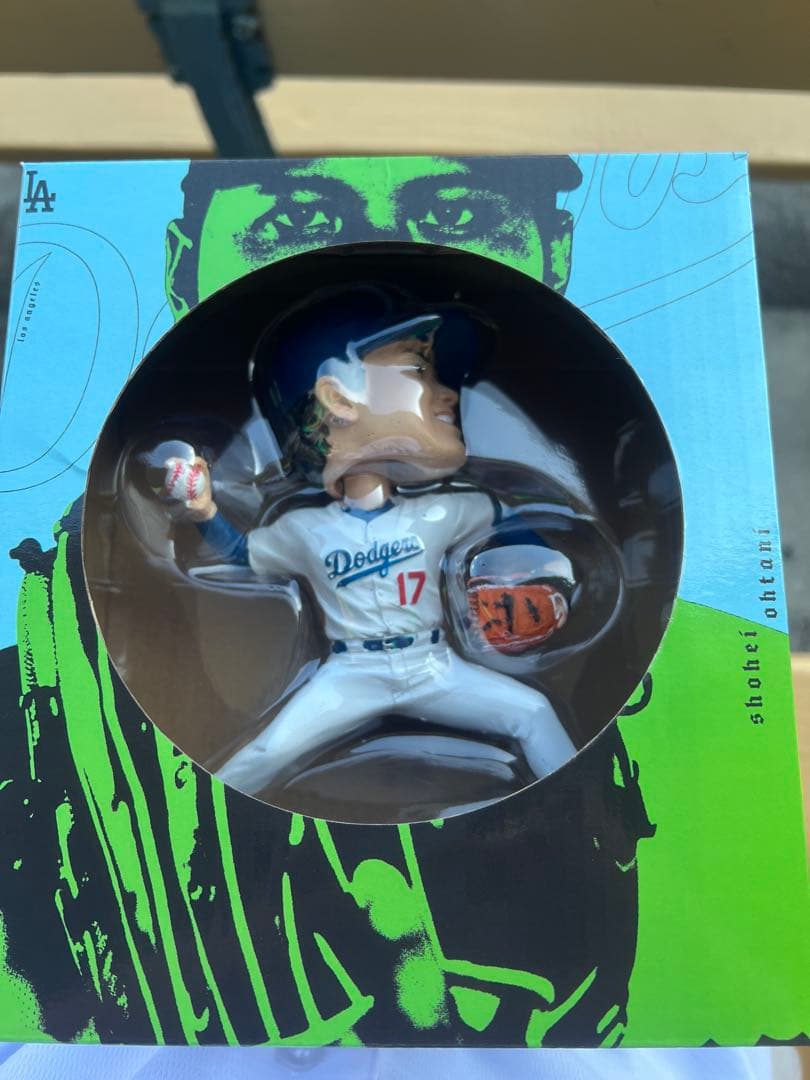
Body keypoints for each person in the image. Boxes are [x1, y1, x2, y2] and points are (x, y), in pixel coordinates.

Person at [161, 285, 576, 797]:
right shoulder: (305, 529)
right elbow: (246, 558)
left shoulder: (440, 511)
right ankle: (198, 820)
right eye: (419, 369)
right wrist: (204, 512)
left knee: (532, 711)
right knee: (268, 752)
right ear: (338, 399)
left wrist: (544, 575)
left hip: (432, 666)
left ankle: (581, 803)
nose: (450, 394)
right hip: (352, 672)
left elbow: (509, 520)